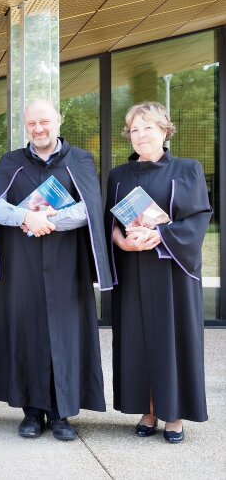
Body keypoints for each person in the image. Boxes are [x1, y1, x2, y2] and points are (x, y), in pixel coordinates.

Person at [0, 99, 112, 441]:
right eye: (31, 124)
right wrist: (26, 216)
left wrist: (49, 221)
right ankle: (31, 412)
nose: (38, 129)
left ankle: (60, 414)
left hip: (67, 264)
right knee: (27, 333)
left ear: (58, 120)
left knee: (65, 335)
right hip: (22, 264)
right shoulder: (11, 161)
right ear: (25, 126)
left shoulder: (79, 159)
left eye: (44, 122)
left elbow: (89, 209)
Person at [106, 102, 211, 443]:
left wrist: (161, 235)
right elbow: (109, 224)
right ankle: (147, 408)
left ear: (165, 130)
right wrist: (121, 242)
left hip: (172, 272)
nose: (141, 135)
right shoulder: (119, 176)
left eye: (148, 128)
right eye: (134, 130)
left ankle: (174, 414)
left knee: (171, 339)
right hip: (133, 270)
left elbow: (197, 219)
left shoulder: (187, 169)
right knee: (137, 339)